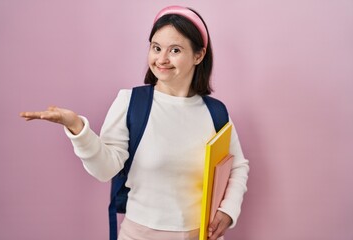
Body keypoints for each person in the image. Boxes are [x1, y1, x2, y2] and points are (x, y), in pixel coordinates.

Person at [20, 5, 249, 240]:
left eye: (175, 50)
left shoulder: (215, 112)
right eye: (156, 48)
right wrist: (78, 128)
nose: (162, 59)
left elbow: (237, 166)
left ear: (198, 55)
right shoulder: (130, 103)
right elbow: (105, 168)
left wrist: (228, 211)